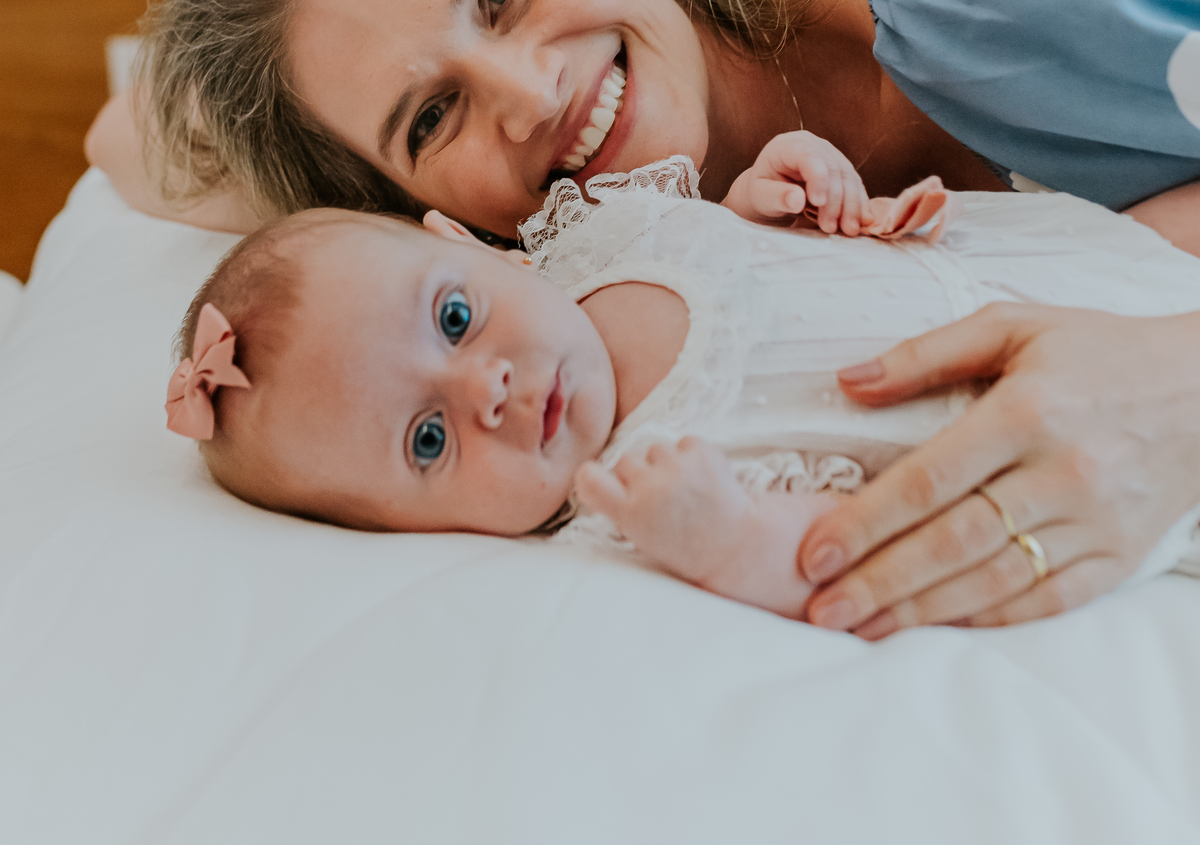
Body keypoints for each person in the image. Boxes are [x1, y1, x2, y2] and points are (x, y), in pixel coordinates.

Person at [89, 0, 1200, 626]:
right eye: (431, 119)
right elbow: (126, 145)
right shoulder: (596, 265)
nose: (531, 96)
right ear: (422, 213)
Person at [165, 139, 1200, 625]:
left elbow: (738, 229)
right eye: (428, 441)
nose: (487, 388)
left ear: (474, 247)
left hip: (1048, 263)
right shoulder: (634, 493)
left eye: (454, 318)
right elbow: (852, 550)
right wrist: (729, 539)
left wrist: (796, 189)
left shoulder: (605, 233)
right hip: (1086, 442)